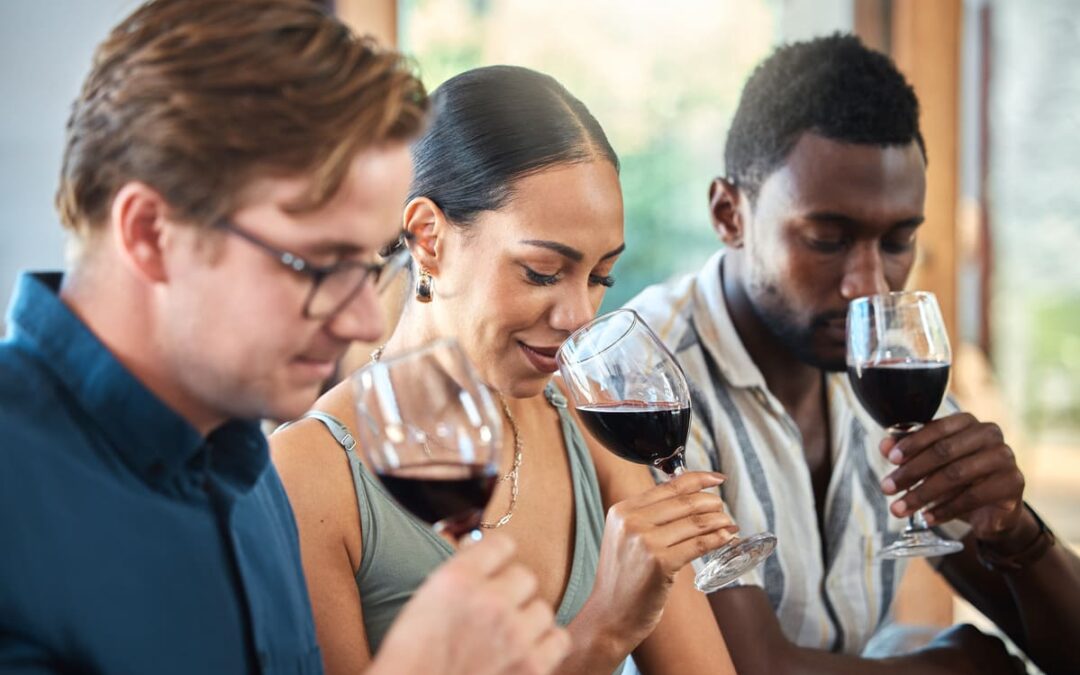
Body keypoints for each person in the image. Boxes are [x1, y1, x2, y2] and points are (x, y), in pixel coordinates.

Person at [0, 2, 569, 674]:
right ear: (151, 234)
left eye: (370, 266)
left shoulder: (250, 470)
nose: (364, 323)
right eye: (320, 265)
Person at [627, 33, 1080, 674]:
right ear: (730, 215)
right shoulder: (648, 386)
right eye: (826, 239)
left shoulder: (885, 367)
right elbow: (747, 668)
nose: (869, 286)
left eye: (897, 242)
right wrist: (950, 670)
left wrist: (1017, 533)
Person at [271, 64, 740, 675]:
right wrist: (604, 631)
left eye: (601, 277)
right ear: (428, 237)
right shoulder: (309, 474)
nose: (579, 317)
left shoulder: (587, 424)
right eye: (542, 273)